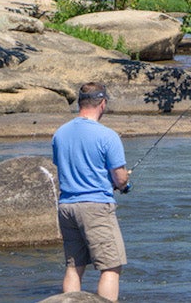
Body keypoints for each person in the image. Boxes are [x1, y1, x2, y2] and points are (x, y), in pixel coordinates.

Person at [51, 82, 130, 301]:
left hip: (66, 207)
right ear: (102, 103)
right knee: (111, 267)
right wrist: (124, 185)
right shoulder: (108, 136)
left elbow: (66, 167)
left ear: (80, 103)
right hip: (95, 207)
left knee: (74, 266)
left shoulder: (60, 134)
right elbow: (120, 178)